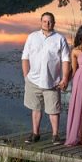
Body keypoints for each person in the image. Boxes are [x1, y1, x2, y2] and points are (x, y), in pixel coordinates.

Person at [21, 12, 71, 144]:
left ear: (54, 23)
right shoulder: (32, 37)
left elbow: (66, 60)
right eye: (44, 21)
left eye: (50, 21)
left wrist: (65, 78)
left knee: (53, 110)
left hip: (52, 81)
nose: (47, 24)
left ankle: (55, 135)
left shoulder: (60, 39)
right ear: (41, 22)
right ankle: (35, 134)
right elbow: (25, 57)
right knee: (35, 108)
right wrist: (26, 76)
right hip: (33, 80)